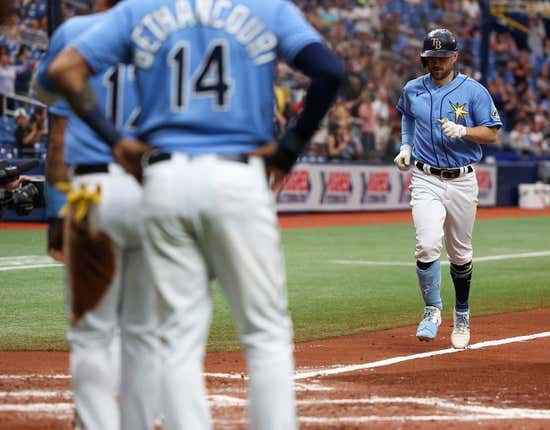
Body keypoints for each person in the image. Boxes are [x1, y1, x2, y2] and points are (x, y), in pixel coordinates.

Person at [46, 1, 345, 428]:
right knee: (264, 333)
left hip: (163, 179)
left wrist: (114, 141)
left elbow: (62, 71)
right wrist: (289, 148)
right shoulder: (269, 7)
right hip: (237, 175)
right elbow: (330, 72)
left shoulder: (140, 10)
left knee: (177, 338)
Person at [35, 1, 158, 428]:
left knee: (92, 331)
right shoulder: (166, 28)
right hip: (154, 190)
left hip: (92, 191)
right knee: (143, 331)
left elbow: (57, 136)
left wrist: (55, 216)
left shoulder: (75, 33)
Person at [394, 28, 502, 349]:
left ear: (455, 57)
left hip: (462, 179)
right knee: (427, 245)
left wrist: (464, 130)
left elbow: (493, 133)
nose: (436, 62)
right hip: (425, 177)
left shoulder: (474, 91)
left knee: (459, 254)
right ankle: (432, 309)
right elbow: (407, 117)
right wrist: (406, 147)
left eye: (442, 57)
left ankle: (463, 313)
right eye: (431, 57)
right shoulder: (413, 89)